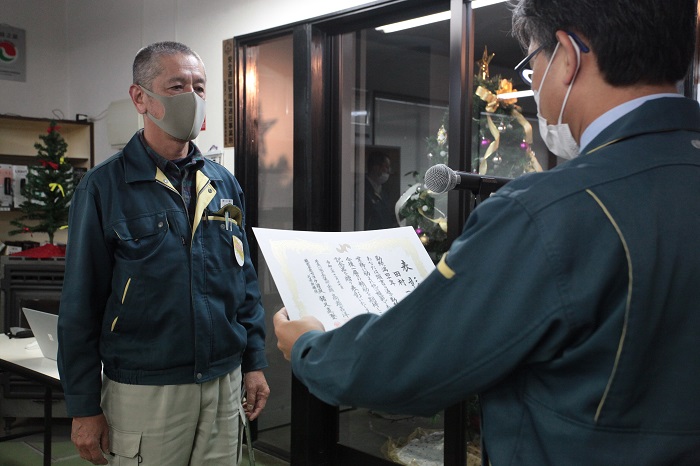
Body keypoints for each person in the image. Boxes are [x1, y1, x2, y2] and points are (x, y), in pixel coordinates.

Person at [274, 0, 700, 464]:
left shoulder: (548, 213)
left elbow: (406, 366)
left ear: (568, 55)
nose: (533, 81)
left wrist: (310, 348)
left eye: (532, 61)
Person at [57, 41, 269, 465]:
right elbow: (80, 303)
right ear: (141, 98)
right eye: (177, 86)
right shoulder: (104, 189)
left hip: (223, 383)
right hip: (145, 389)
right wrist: (83, 406)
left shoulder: (224, 185)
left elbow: (243, 281)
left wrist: (254, 361)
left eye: (199, 87)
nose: (192, 98)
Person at [364, 149, 399, 230]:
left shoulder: (384, 192)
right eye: (386, 167)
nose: (389, 171)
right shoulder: (362, 191)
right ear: (375, 167)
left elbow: (386, 216)